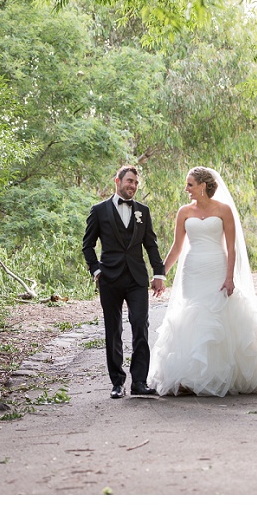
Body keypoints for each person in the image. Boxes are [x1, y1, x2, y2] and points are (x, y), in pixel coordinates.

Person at [148, 166, 257, 396]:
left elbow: (231, 248)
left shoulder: (224, 210)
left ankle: (221, 376)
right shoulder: (184, 212)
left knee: (219, 317)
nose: (187, 189)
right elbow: (176, 248)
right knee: (193, 316)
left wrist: (230, 277)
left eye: (190, 184)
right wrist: (160, 274)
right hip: (193, 270)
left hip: (217, 267)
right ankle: (190, 377)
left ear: (203, 186)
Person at [82, 165, 166, 399]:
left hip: (137, 278)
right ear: (117, 181)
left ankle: (139, 381)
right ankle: (117, 382)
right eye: (129, 181)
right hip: (109, 278)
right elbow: (87, 245)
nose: (133, 186)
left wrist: (159, 274)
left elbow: (151, 244)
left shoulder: (143, 211)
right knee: (113, 330)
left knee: (140, 325)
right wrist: (96, 270)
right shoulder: (99, 210)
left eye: (136, 183)